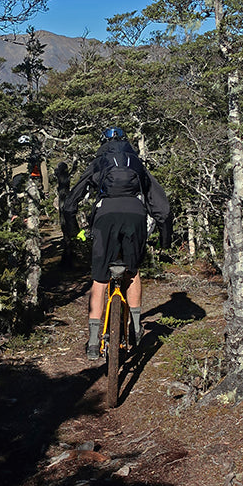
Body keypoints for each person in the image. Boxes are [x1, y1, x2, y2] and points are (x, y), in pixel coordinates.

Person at [62, 126, 172, 359]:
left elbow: (72, 200)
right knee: (132, 272)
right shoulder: (136, 163)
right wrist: (165, 237)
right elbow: (159, 202)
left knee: (99, 279)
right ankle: (135, 328)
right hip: (135, 214)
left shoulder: (100, 162)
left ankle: (93, 341)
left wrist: (73, 230)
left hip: (106, 216)